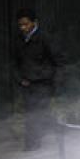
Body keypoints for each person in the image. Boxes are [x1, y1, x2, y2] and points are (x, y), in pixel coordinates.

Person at [12, 8, 63, 151]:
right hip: (28, 84)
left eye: (26, 24)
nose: (23, 27)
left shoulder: (45, 38)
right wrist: (20, 79)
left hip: (44, 84)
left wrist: (55, 84)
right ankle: (42, 138)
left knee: (37, 113)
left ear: (35, 23)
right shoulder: (19, 40)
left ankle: (33, 144)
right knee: (32, 113)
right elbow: (15, 63)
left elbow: (58, 62)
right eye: (20, 25)